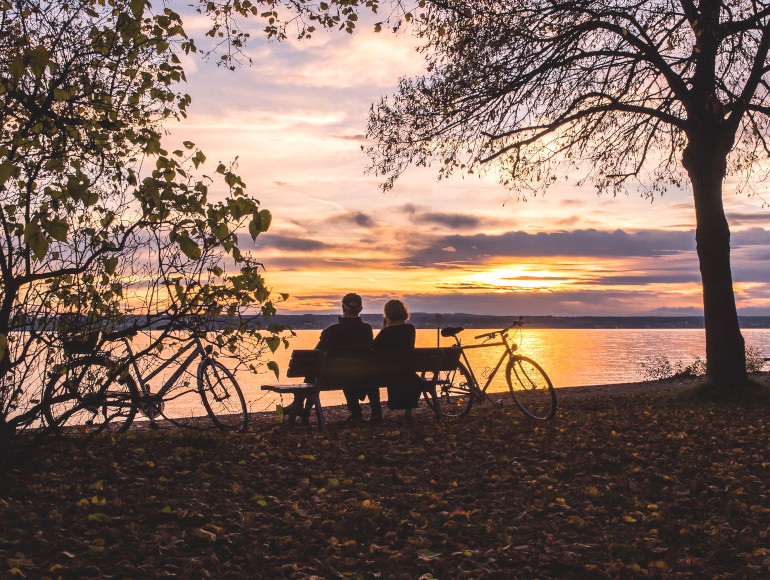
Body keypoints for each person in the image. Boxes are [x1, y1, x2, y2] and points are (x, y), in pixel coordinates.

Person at [314, 293, 382, 423]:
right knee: (361, 370)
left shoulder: (333, 330)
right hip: (366, 375)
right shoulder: (367, 329)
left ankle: (356, 413)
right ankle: (376, 412)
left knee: (319, 368)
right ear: (360, 309)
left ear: (342, 307)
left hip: (340, 376)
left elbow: (315, 354)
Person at [373, 299, 424, 412]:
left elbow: (373, 347)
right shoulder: (410, 329)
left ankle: (376, 412)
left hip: (390, 373)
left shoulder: (386, 332)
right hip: (407, 370)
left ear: (388, 314)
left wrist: (384, 327)